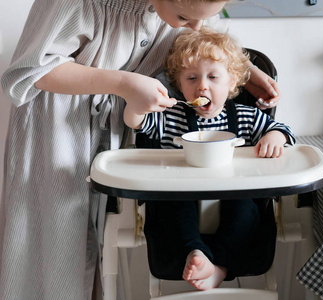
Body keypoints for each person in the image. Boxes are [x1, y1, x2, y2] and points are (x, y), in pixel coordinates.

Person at [0, 0, 281, 299]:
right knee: (52, 255)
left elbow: (199, 35)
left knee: (99, 252)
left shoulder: (182, 13)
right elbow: (29, 72)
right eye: (185, 16)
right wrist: (124, 83)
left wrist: (248, 71)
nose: (195, 27)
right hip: (57, 131)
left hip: (114, 141)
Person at [123, 26, 296, 290]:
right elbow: (138, 123)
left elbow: (283, 131)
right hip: (183, 195)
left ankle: (219, 267)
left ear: (233, 81)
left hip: (235, 197)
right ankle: (196, 252)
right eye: (191, 78)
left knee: (247, 211)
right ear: (178, 84)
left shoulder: (246, 116)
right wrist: (136, 105)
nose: (202, 85)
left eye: (213, 77)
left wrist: (275, 137)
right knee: (172, 208)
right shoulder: (172, 118)